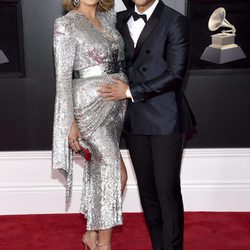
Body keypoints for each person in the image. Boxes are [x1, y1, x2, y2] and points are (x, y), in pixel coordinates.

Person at [98, 0, 196, 249]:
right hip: (134, 119)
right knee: (148, 193)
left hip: (165, 118)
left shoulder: (175, 21)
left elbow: (176, 74)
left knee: (166, 190)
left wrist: (130, 91)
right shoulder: (118, 20)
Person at [52, 0, 128, 249]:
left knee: (101, 174)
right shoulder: (65, 24)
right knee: (115, 174)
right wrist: (69, 122)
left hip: (116, 105)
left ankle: (91, 235)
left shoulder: (109, 18)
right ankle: (104, 245)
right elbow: (62, 78)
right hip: (88, 107)